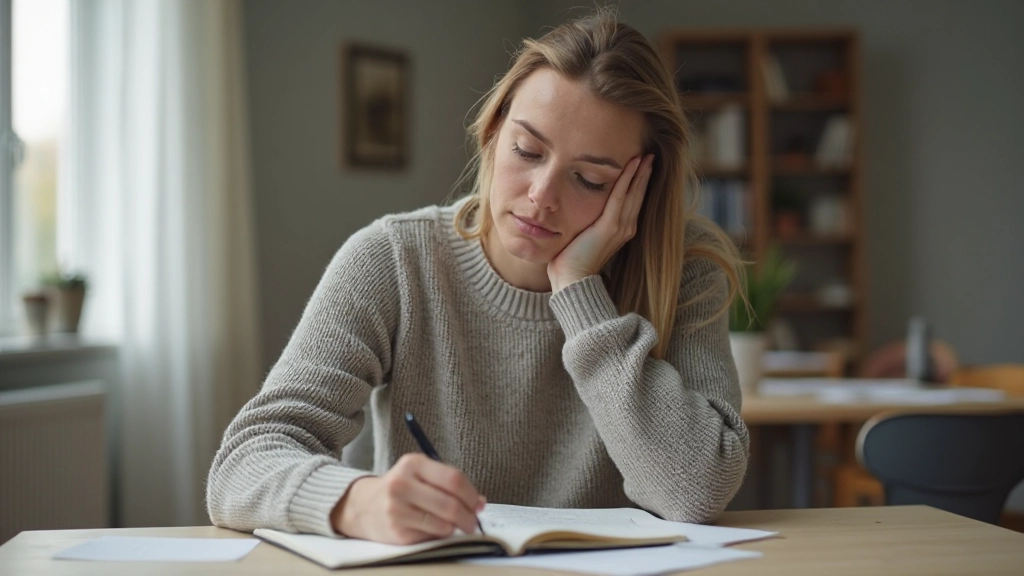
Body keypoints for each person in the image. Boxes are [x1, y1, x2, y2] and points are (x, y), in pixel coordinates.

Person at [207, 11, 749, 545]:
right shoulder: (394, 260)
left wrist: (581, 293)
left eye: (588, 179)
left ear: (640, 189)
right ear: (492, 133)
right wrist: (355, 501)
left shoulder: (683, 274)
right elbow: (243, 463)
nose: (541, 194)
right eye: (527, 150)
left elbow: (696, 489)